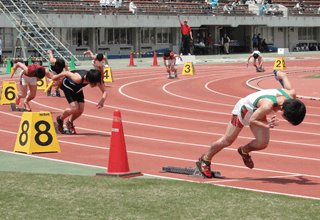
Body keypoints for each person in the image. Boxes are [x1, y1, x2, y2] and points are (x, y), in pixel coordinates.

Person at [196, 70, 306, 178]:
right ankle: (205, 159)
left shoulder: (291, 94)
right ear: (284, 111)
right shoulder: (268, 104)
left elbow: (283, 74)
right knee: (227, 140)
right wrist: (267, 125)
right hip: (245, 110)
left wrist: (277, 74)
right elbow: (252, 120)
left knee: (262, 143)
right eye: (288, 119)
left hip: (258, 111)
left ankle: (244, 150)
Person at [53, 69, 107, 134]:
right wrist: (56, 77)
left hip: (78, 88)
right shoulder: (77, 78)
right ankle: (60, 119)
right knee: (74, 108)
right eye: (94, 83)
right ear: (89, 79)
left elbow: (105, 91)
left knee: (80, 109)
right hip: (68, 86)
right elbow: (66, 72)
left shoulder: (96, 79)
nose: (95, 85)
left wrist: (102, 101)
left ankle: (69, 122)